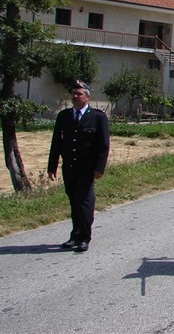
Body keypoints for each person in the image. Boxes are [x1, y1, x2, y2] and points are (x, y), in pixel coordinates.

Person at [48, 81, 110, 253]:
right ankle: (75, 235)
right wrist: (51, 166)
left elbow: (104, 145)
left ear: (87, 97)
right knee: (74, 201)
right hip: (69, 167)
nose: (75, 96)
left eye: (79, 93)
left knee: (84, 202)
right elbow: (56, 143)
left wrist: (99, 168)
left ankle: (84, 237)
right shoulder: (64, 116)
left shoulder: (98, 117)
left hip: (87, 168)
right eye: (73, 93)